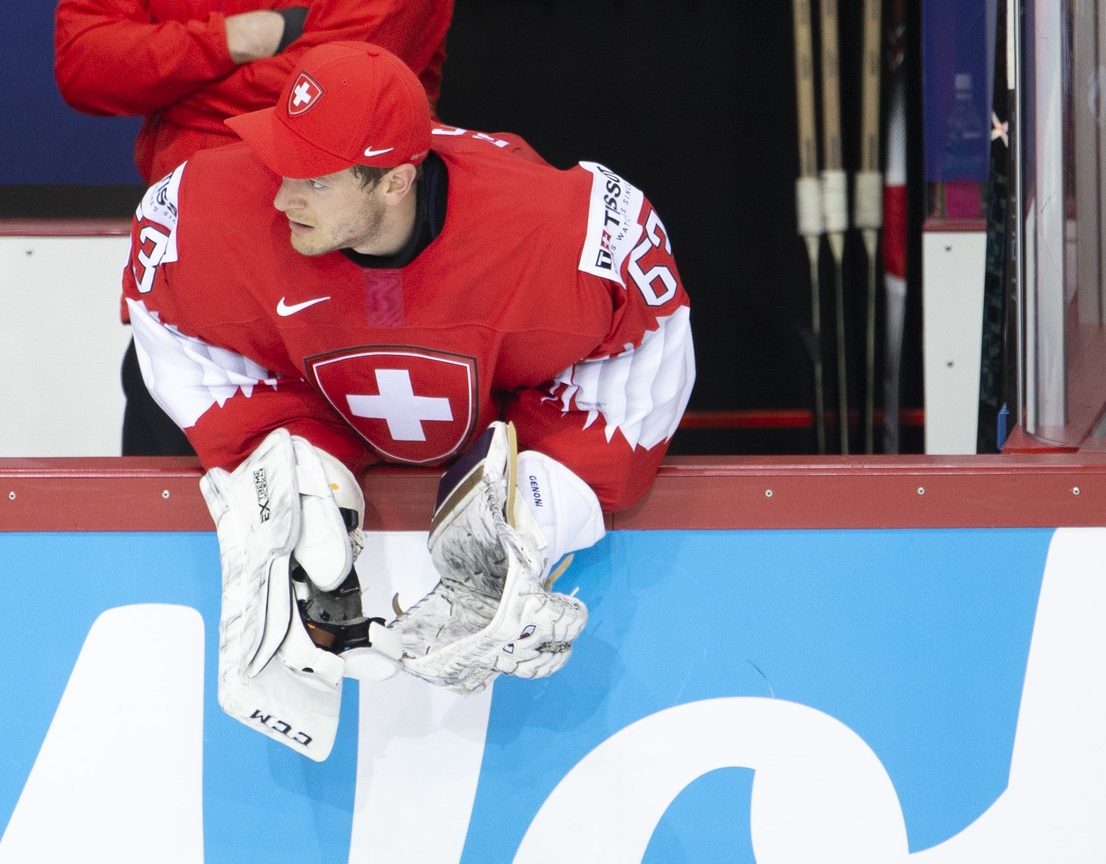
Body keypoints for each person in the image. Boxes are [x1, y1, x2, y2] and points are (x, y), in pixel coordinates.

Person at [122, 41, 696, 760]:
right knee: (293, 495)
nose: (280, 197)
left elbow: (649, 333)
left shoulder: (560, 231)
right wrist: (279, 452)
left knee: (521, 514)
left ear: (395, 182)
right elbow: (161, 312)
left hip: (501, 397)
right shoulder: (204, 212)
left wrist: (549, 504)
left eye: (315, 182)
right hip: (310, 387)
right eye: (279, 164)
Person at [55, 1, 453, 455]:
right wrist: (237, 38)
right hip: (191, 286)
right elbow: (84, 63)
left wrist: (171, 88)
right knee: (167, 510)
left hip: (357, 282)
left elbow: (345, 97)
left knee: (371, 507)